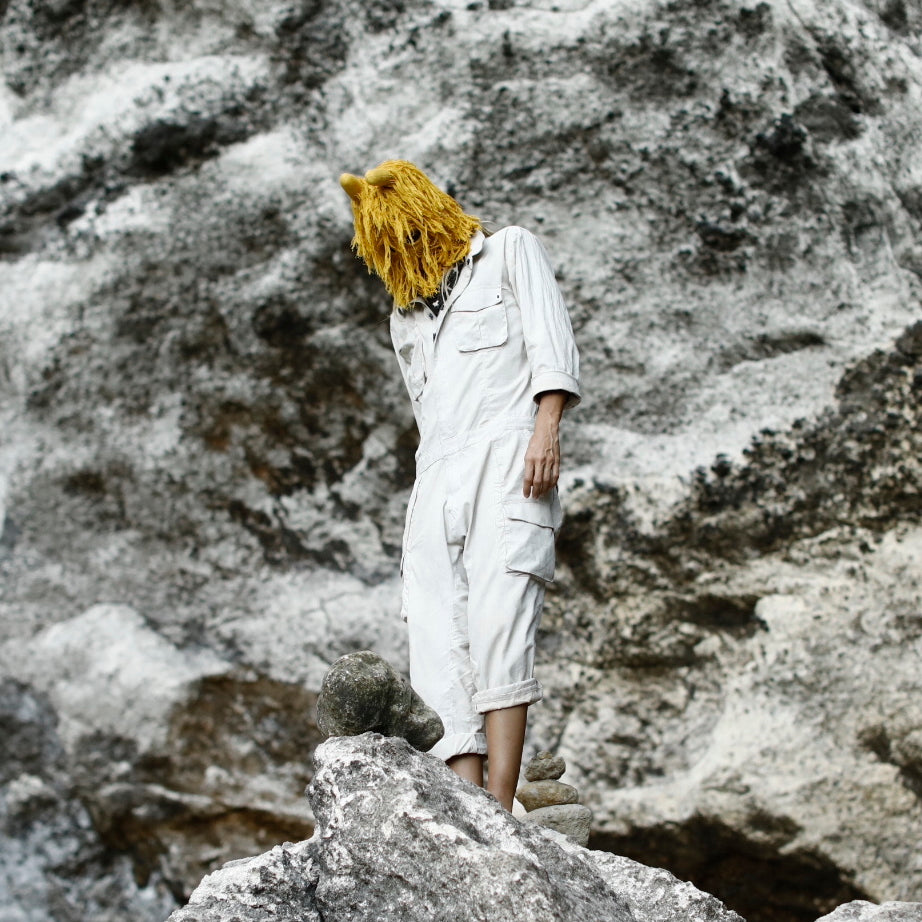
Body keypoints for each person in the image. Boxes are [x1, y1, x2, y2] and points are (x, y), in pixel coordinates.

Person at [339, 160, 580, 811]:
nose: (405, 248)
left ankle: (500, 806)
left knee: (501, 619)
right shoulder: (406, 319)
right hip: (436, 474)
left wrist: (546, 428)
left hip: (506, 455)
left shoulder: (509, 251)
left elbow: (552, 343)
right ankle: (468, 806)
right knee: (437, 641)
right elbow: (428, 414)